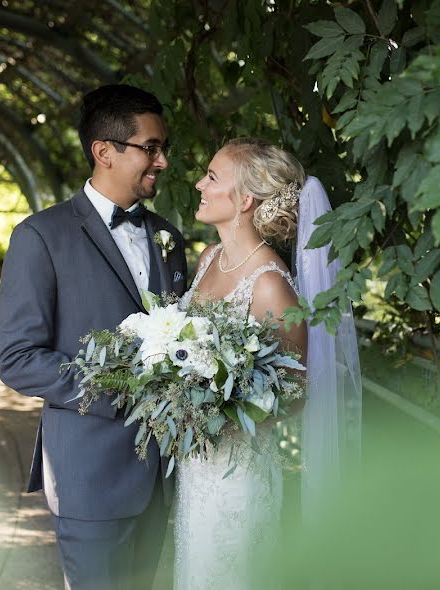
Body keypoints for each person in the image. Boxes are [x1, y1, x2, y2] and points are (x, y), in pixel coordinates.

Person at [0, 84, 187, 590]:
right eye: (151, 147)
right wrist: (121, 388)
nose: (162, 161)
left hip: (161, 474)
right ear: (104, 151)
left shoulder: (170, 237)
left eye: (163, 147)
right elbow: (17, 358)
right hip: (90, 472)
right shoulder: (40, 237)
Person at [174, 138, 361, 589]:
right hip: (195, 467)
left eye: (212, 177)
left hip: (240, 475)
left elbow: (294, 394)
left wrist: (218, 411)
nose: (200, 183)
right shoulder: (208, 259)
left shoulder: (271, 286)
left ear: (244, 200)